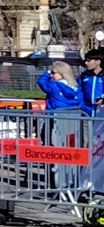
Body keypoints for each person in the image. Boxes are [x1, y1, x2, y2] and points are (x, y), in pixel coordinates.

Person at [37, 61, 81, 191]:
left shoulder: (54, 86)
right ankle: (70, 180)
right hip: (72, 119)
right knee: (69, 149)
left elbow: (41, 82)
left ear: (61, 73)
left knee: (53, 149)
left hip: (54, 118)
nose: (52, 75)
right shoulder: (75, 87)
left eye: (53, 73)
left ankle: (55, 182)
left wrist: (46, 73)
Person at [81, 49, 104, 116]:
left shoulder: (102, 75)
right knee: (87, 126)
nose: (86, 63)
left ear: (98, 62)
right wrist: (81, 104)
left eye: (88, 61)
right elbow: (79, 91)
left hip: (101, 112)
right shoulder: (84, 76)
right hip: (86, 111)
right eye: (85, 61)